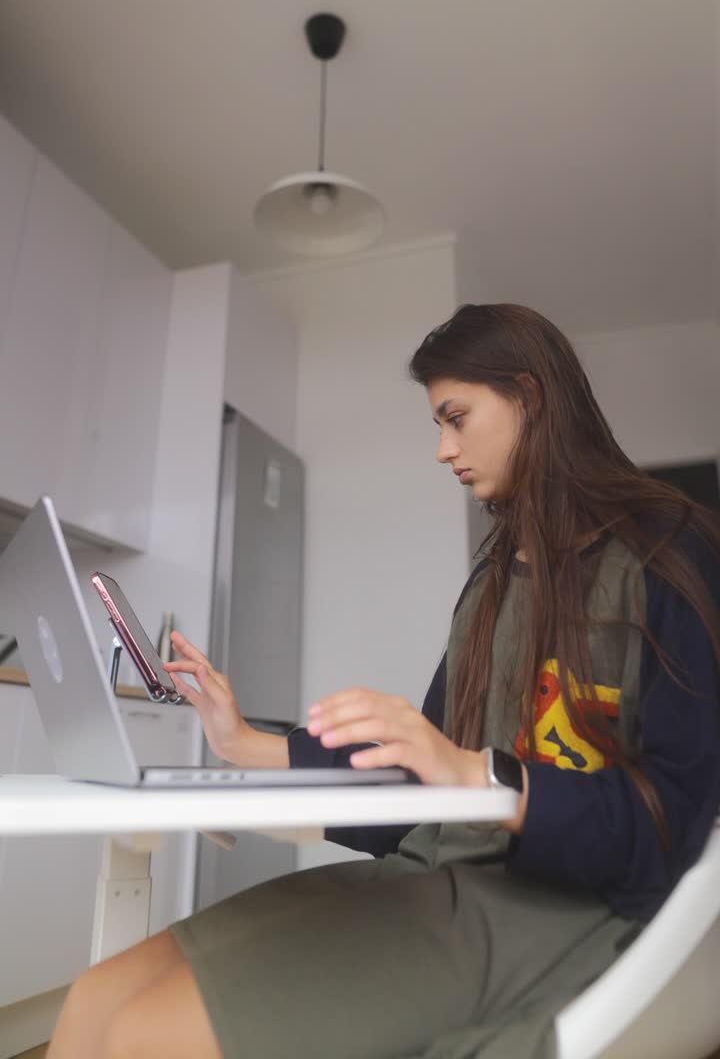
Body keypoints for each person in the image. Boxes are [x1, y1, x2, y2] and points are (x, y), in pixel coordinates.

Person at [48, 303, 720, 1059]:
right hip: (430, 878)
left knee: (143, 1034)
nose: (443, 449)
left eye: (456, 418)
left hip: (556, 906)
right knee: (96, 997)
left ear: (529, 398)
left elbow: (676, 824)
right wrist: (242, 743)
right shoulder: (493, 584)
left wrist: (479, 776)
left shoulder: (672, 556)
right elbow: (412, 793)